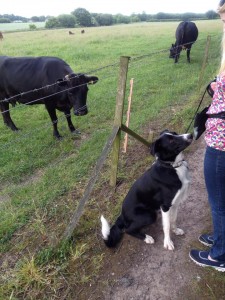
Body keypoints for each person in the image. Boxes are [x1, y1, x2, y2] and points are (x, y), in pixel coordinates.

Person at [189, 0, 225, 272]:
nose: (223, 22)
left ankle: (219, 256)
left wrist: (218, 89)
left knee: (218, 200)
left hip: (222, 141)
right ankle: (220, 238)